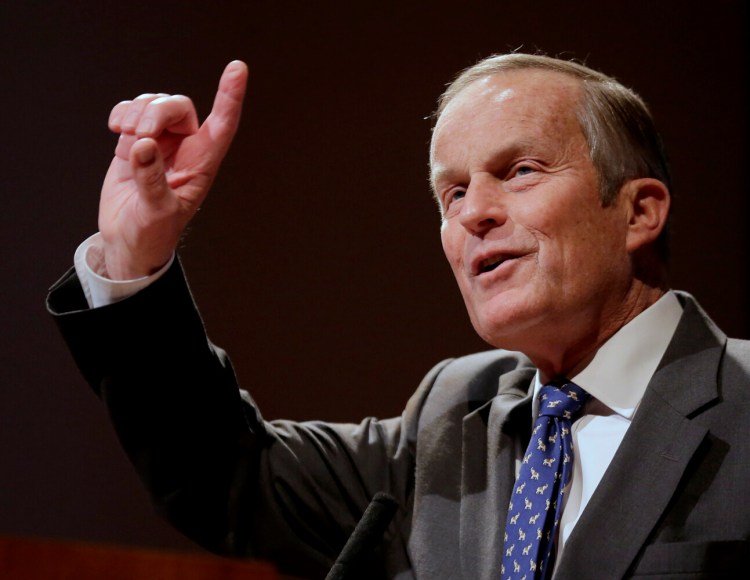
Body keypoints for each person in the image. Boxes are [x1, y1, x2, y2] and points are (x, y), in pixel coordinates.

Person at [47, 54, 748, 579]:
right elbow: (227, 479)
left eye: (522, 170)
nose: (475, 212)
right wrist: (136, 256)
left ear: (639, 212)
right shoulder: (454, 414)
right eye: (452, 193)